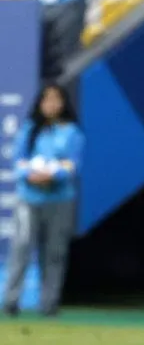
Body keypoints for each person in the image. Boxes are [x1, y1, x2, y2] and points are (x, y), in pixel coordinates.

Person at [2, 83, 84, 316]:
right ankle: (11, 300)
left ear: (63, 103)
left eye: (56, 99)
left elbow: (73, 165)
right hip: (29, 199)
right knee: (21, 247)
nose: (51, 104)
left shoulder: (71, 132)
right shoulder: (29, 130)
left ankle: (49, 303)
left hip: (59, 199)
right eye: (47, 99)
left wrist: (53, 175)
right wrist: (31, 175)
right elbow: (18, 161)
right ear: (40, 103)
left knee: (55, 252)